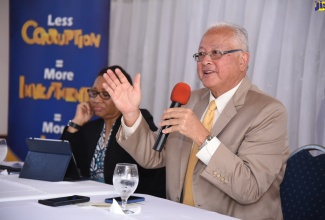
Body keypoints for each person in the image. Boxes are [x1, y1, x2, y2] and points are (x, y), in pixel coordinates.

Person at [102, 22, 289, 219]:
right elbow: (154, 155)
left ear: (243, 60)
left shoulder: (268, 111)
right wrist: (131, 114)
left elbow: (249, 188)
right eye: (200, 54)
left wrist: (201, 136)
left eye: (216, 53)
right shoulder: (189, 100)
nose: (205, 61)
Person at [61, 65, 166, 199]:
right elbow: (66, 164)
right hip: (91, 199)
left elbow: (153, 163)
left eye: (105, 94)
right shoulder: (91, 128)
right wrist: (76, 123)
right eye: (93, 93)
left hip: (128, 202)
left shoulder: (136, 122)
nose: (96, 99)